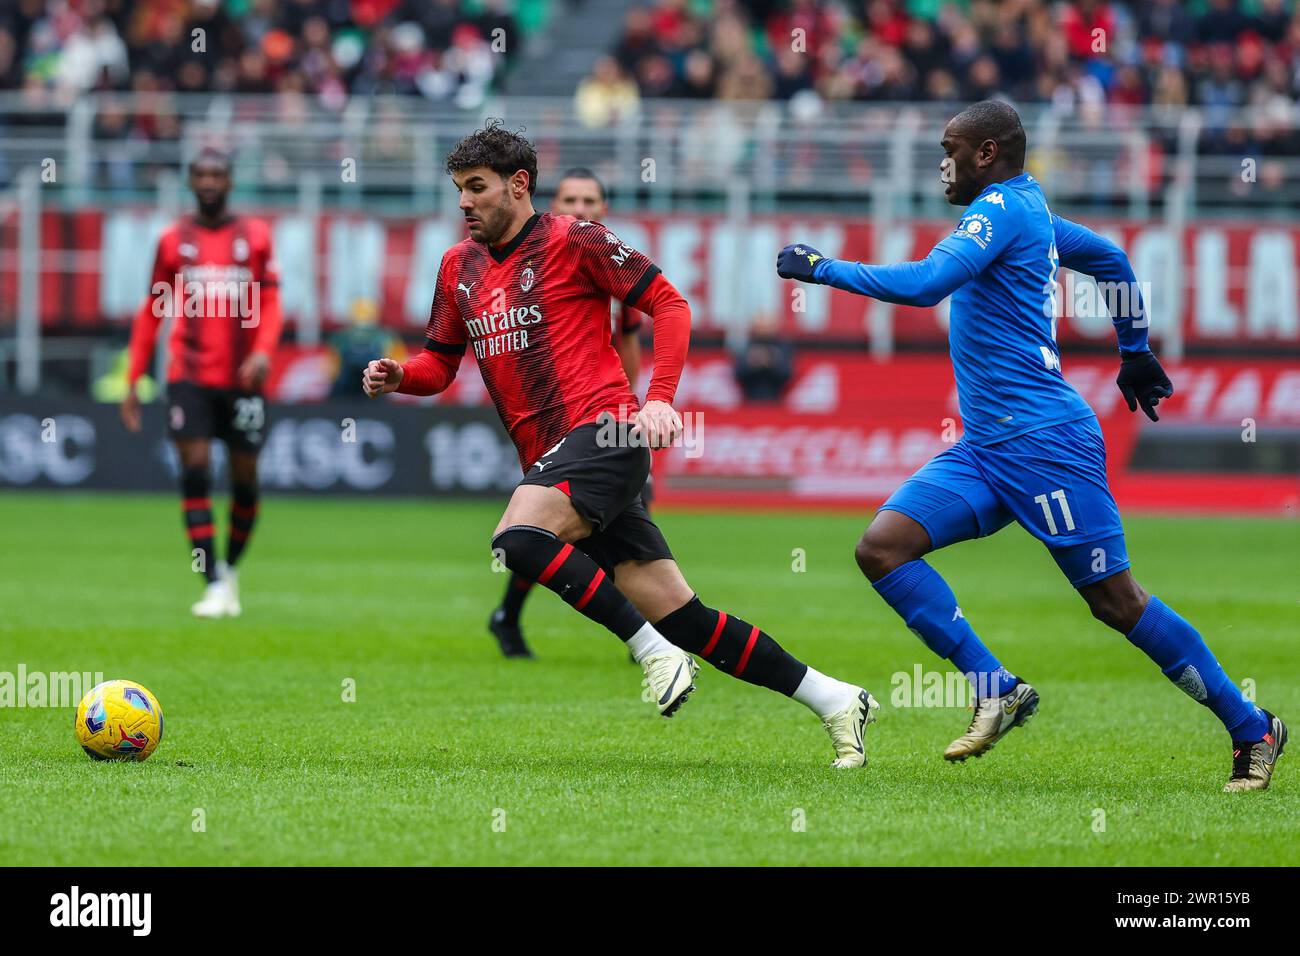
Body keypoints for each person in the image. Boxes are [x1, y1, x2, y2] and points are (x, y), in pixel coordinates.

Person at [777, 100, 1286, 792]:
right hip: (987, 446)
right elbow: (1109, 258)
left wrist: (821, 268)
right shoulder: (1027, 208)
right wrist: (1132, 350)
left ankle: (1251, 725)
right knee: (882, 548)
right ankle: (997, 687)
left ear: (986, 153)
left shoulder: (1000, 211)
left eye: (950, 148)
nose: (942, 163)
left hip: (1046, 444)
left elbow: (928, 285)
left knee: (1116, 602)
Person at [365, 122, 877, 768]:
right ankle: (835, 699)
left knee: (517, 539)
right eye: (459, 190)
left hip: (605, 431)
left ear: (518, 186)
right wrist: (398, 375)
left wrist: (659, 396)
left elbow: (670, 302)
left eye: (477, 188)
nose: (464, 202)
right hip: (557, 457)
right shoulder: (456, 267)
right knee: (683, 614)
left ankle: (652, 653)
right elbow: (440, 364)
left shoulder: (573, 240)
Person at [488, 166, 646, 659]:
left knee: (615, 518)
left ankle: (645, 633)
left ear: (604, 209)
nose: (581, 210)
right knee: (541, 530)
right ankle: (643, 634)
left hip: (608, 420)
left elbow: (630, 342)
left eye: (590, 201)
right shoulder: (543, 263)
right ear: (554, 207)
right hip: (555, 421)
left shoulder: (614, 263)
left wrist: (631, 410)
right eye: (571, 201)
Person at [121, 148, 282, 619]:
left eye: (217, 174)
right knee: (194, 469)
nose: (209, 182)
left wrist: (262, 352)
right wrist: (133, 378)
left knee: (245, 481)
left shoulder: (255, 237)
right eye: (201, 174)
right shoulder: (173, 241)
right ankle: (211, 579)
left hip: (243, 378)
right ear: (191, 181)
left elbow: (271, 303)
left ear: (230, 181)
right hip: (188, 375)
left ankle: (230, 568)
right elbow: (151, 310)